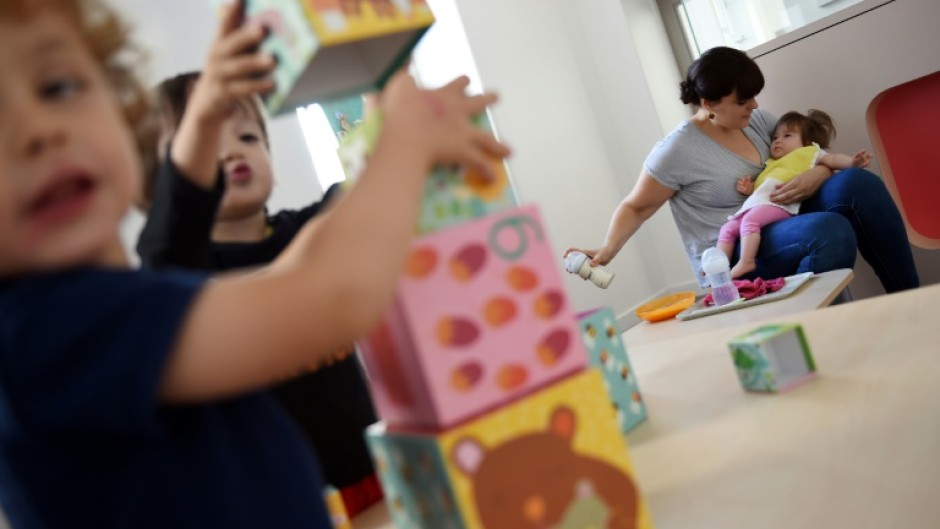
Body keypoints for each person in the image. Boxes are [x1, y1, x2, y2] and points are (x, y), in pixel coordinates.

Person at [0, 1, 509, 527]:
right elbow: (331, 293)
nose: (38, 131)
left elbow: (319, 247)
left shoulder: (87, 315)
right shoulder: (51, 332)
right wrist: (404, 143)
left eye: (58, 88)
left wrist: (208, 106)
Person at [137, 59, 378, 519]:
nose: (232, 153)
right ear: (161, 192)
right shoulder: (177, 275)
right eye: (207, 144)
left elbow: (373, 174)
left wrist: (380, 80)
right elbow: (161, 255)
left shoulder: (304, 227)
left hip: (367, 468)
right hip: (274, 503)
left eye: (248, 137)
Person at [566, 46, 918, 293]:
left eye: (753, 96)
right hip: (732, 251)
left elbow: (806, 154)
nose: (756, 105)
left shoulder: (756, 120)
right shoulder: (675, 151)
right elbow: (636, 206)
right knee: (829, 229)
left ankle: (911, 303)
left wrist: (820, 172)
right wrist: (606, 249)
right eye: (743, 100)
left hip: (782, 215)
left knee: (857, 182)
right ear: (708, 104)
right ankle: (817, 331)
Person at [719, 109, 873, 278]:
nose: (778, 141)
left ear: (806, 141)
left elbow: (833, 159)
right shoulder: (771, 163)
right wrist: (748, 188)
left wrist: (852, 162)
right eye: (775, 137)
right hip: (757, 205)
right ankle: (718, 270)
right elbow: (762, 188)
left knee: (750, 221)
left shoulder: (809, 152)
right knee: (728, 228)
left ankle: (747, 261)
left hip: (780, 205)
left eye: (787, 136)